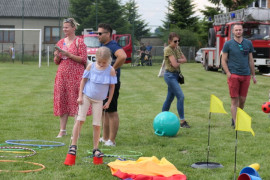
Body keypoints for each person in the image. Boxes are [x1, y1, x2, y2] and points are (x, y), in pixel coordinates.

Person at [64, 47, 117, 166]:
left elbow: (112, 87)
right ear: (96, 59)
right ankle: (73, 145)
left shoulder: (111, 70)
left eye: (104, 62)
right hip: (86, 96)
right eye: (99, 62)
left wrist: (108, 102)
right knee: (80, 120)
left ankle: (96, 148)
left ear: (109, 60)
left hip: (99, 100)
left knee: (96, 124)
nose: (102, 64)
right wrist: (80, 96)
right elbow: (83, 81)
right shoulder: (91, 66)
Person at [53, 18, 90, 138]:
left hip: (76, 75)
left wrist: (68, 54)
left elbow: (83, 59)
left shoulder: (80, 42)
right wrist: (57, 56)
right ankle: (62, 130)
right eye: (63, 27)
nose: (64, 29)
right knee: (62, 100)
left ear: (73, 28)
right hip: (62, 75)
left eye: (67, 27)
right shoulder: (60, 42)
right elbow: (56, 62)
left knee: (76, 101)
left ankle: (76, 132)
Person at [221, 23, 257, 128]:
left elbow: (250, 60)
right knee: (234, 99)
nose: (238, 32)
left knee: (242, 100)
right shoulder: (228, 44)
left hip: (246, 75)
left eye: (240, 30)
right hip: (234, 75)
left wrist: (253, 75)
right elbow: (223, 60)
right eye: (236, 30)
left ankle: (238, 116)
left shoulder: (248, 43)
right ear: (233, 32)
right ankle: (236, 122)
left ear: (242, 31)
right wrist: (228, 73)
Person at [97, 23, 127, 146]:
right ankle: (105, 138)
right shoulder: (103, 45)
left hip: (112, 84)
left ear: (108, 34)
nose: (98, 35)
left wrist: (113, 69)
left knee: (112, 111)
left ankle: (112, 140)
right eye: (97, 33)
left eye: (100, 33)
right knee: (104, 111)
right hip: (103, 83)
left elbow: (123, 56)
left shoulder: (113, 45)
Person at [162, 32, 190, 128]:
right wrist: (178, 61)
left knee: (169, 98)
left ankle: (162, 117)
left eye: (178, 41)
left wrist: (177, 60)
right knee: (181, 96)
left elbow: (185, 59)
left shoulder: (177, 48)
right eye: (175, 41)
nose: (177, 43)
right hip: (169, 76)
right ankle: (182, 121)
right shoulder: (168, 49)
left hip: (176, 75)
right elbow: (174, 65)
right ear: (170, 41)